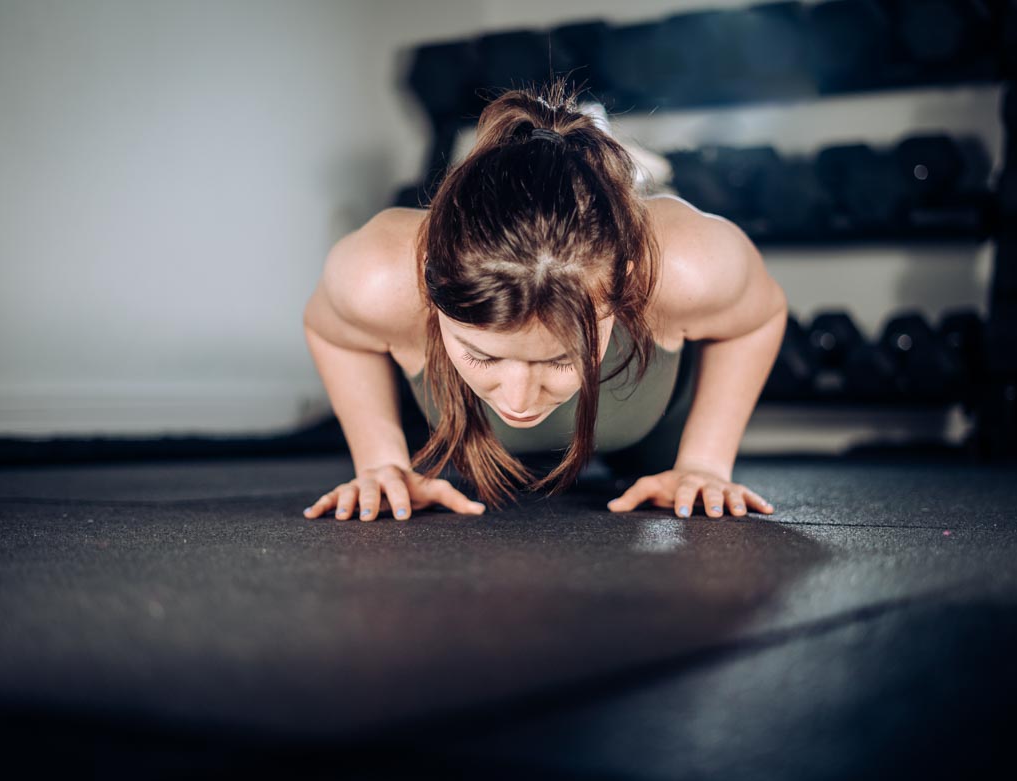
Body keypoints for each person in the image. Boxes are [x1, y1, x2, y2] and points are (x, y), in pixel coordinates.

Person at [301, 79, 786, 522]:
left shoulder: (686, 263)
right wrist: (381, 461)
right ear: (428, 283)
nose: (519, 400)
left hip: (650, 428)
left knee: (663, 468)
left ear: (625, 286)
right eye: (482, 355)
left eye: (560, 360)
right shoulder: (380, 274)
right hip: (473, 450)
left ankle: (642, 168)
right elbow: (332, 332)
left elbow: (758, 317)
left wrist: (704, 462)